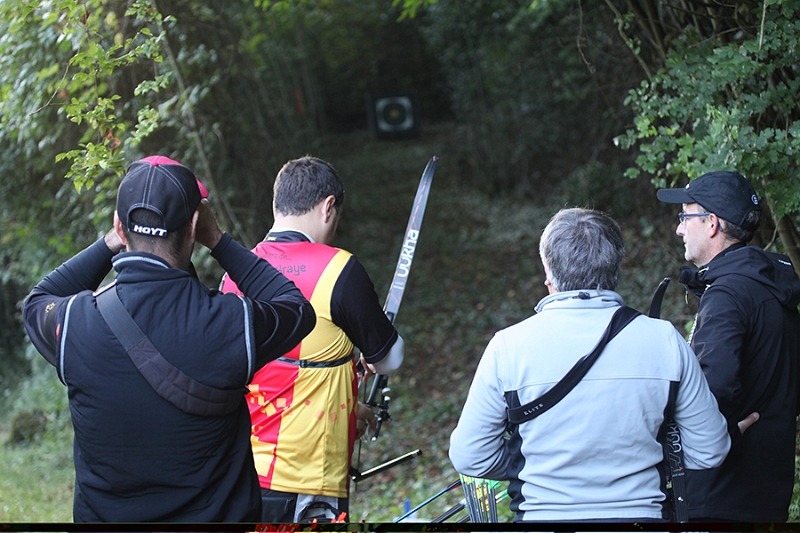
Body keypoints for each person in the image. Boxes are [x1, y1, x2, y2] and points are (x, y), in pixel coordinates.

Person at [22, 156, 316, 522]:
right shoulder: (229, 323)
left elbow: (39, 300)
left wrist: (111, 241)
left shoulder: (75, 323)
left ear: (119, 226)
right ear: (194, 226)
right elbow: (296, 308)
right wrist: (218, 241)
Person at [448, 207, 731, 522]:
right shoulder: (664, 340)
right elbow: (710, 449)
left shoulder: (508, 347)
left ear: (548, 270)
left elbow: (470, 455)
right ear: (615, 267)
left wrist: (530, 463)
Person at [220, 156, 404, 523]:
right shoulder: (338, 268)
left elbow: (279, 372)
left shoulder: (234, 274)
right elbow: (390, 358)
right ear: (328, 207)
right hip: (307, 479)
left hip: (240, 473)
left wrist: (349, 405)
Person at [657, 170, 800, 522]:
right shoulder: (772, 290)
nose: (678, 229)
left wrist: (726, 438)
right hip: (768, 491)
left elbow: (709, 392)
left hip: (719, 495)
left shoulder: (727, 296)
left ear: (712, 224)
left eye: (685, 217)